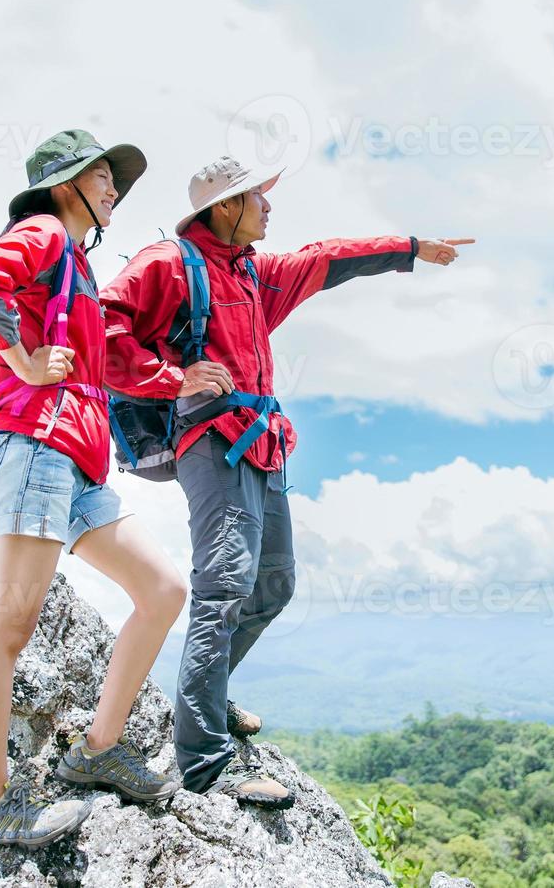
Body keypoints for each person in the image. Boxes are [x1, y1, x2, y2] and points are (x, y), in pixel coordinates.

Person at [100, 155, 472, 807]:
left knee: (272, 585)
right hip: (212, 442)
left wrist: (410, 249)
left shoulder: (254, 276)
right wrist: (172, 378)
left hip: (265, 447)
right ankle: (205, 762)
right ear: (223, 208)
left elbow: (327, 259)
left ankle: (204, 700)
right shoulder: (169, 264)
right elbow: (104, 329)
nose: (268, 207)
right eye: (255, 198)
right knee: (224, 588)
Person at [0, 129, 189, 862]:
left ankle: (97, 750)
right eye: (101, 175)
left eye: (117, 179)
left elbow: (107, 367)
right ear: (62, 185)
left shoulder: (75, 264)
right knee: (10, 626)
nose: (114, 187)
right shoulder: (46, 231)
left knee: (163, 588)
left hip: (76, 461)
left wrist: (187, 381)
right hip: (31, 446)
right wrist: (23, 357)